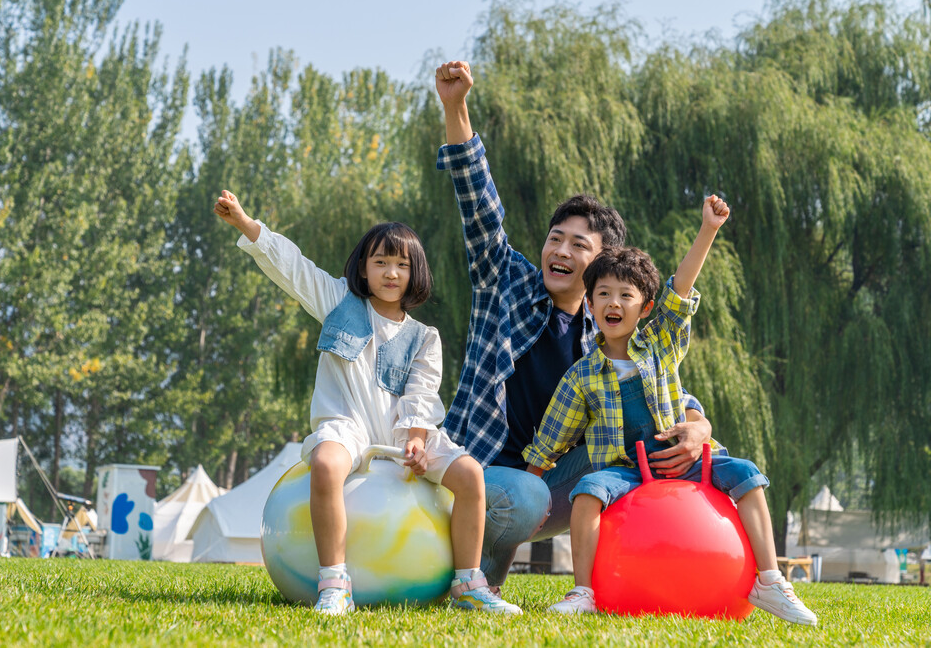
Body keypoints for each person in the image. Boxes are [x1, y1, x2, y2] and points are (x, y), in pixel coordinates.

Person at [434, 60, 714, 590]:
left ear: (604, 262)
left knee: (639, 449)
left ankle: (632, 571)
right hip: (483, 471)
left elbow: (657, 385)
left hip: (552, 481)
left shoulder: (605, 327)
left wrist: (697, 426)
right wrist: (456, 107)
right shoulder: (508, 283)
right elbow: (479, 205)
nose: (559, 250)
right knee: (526, 494)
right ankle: (477, 572)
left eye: (578, 245)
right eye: (554, 238)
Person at [213, 190, 521, 616]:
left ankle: (468, 583)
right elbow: (293, 268)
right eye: (380, 262)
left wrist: (416, 439)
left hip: (406, 434)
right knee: (324, 464)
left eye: (402, 264)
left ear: (416, 273)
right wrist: (248, 225)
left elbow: (422, 393)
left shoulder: (424, 337)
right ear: (363, 267)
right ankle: (335, 582)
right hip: (347, 426)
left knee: (470, 474)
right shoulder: (338, 302)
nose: (391, 272)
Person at [524, 196, 817, 625]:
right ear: (590, 305)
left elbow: (680, 289)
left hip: (688, 462)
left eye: (626, 295)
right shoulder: (581, 377)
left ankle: (770, 580)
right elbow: (549, 442)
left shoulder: (662, 343)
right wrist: (526, 502)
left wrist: (708, 230)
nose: (614, 303)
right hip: (626, 469)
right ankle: (583, 590)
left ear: (645, 308)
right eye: (603, 294)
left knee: (750, 476)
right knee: (586, 492)